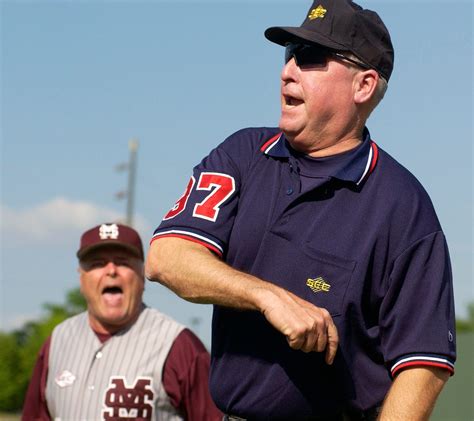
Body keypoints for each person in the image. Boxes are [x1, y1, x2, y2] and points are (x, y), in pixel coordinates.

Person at [146, 0, 456, 419]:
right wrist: (267, 296)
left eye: (310, 57)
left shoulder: (403, 206)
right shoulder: (244, 153)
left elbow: (424, 364)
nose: (287, 70)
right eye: (289, 53)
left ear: (363, 85)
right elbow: (167, 258)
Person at [22, 222, 222, 421]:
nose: (111, 270)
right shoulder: (58, 340)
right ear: (81, 278)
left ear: (142, 276)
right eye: (97, 263)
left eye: (123, 262)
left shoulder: (179, 345)